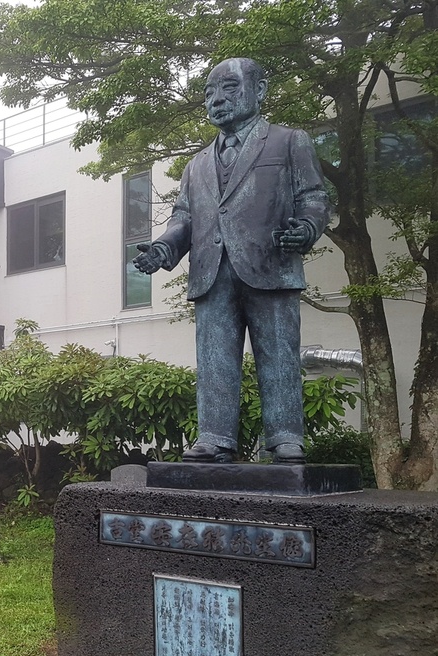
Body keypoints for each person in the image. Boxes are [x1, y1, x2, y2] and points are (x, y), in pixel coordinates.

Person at [133, 57, 330, 464]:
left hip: (271, 264)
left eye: (228, 88)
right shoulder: (196, 164)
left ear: (259, 91)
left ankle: (286, 437)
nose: (216, 100)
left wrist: (308, 229)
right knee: (214, 358)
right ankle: (215, 436)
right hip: (212, 272)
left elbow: (313, 198)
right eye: (209, 93)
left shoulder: (290, 141)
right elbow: (184, 218)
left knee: (278, 354)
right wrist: (164, 249)